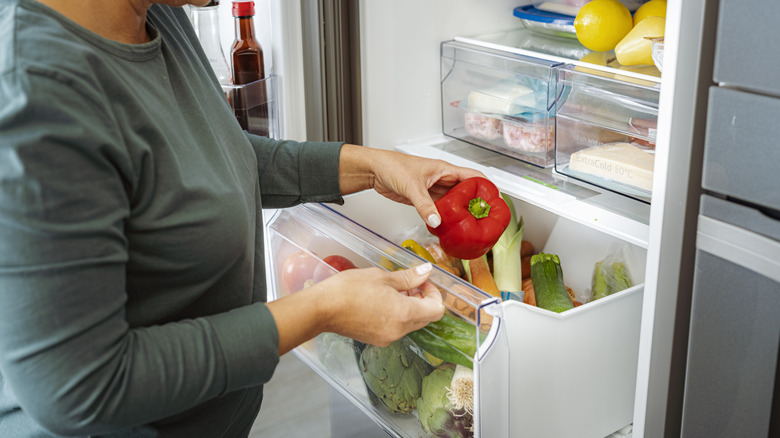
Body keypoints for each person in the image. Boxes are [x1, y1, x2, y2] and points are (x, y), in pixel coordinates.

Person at [0, 0, 485, 436]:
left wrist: (366, 165)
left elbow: (198, 160)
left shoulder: (155, 12)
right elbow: (78, 388)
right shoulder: (37, 91)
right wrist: (320, 310)